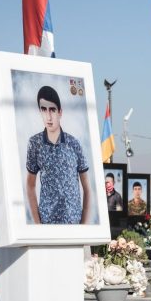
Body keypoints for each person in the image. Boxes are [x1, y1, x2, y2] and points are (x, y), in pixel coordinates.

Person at [26, 85, 91, 224]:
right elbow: (30, 185)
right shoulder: (35, 143)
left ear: (60, 112)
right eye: (44, 109)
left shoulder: (73, 144)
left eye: (52, 110)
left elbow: (87, 187)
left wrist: (84, 226)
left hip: (73, 223)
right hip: (47, 223)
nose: (48, 116)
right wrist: (38, 225)